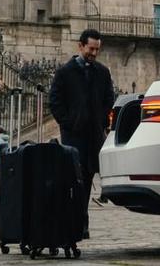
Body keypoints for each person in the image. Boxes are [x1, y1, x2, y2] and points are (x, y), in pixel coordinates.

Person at [49, 28, 116, 200]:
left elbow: (109, 99)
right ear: (81, 46)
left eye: (97, 50)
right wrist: (68, 123)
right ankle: (72, 223)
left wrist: (101, 121)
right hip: (73, 136)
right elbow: (55, 101)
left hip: (93, 136)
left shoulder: (102, 72)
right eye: (91, 49)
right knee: (72, 180)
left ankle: (82, 224)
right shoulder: (65, 72)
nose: (94, 53)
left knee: (86, 180)